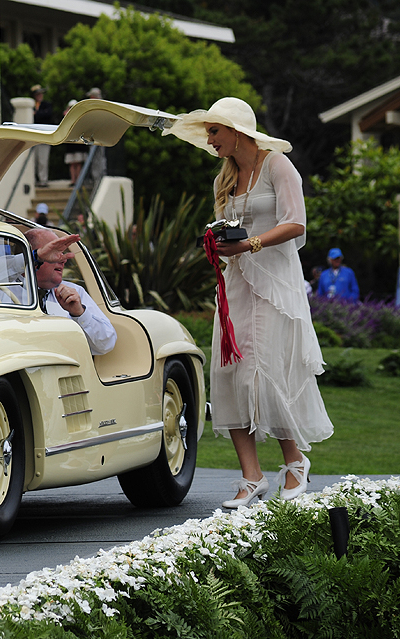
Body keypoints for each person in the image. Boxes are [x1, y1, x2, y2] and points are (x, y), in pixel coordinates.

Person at [164, 96, 333, 509]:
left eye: (214, 131)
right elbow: (229, 231)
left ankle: (295, 463)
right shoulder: (223, 179)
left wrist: (250, 243)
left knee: (266, 370)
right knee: (230, 372)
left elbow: (296, 223)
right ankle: (251, 477)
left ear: (237, 130)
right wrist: (219, 242)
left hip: (275, 286)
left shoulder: (277, 165)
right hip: (236, 285)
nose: (209, 139)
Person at [25, 228, 117, 356]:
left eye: (62, 253)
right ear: (34, 256)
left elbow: (106, 344)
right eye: (54, 252)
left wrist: (79, 313)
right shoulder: (3, 290)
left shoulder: (74, 293)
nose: (63, 259)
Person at [31, 85, 53, 188]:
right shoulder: (32, 105)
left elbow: (47, 115)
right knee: (34, 161)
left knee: (43, 160)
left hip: (44, 137)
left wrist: (36, 114)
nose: (40, 96)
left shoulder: (46, 105)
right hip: (33, 137)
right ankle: (35, 180)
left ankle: (43, 180)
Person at [63, 100, 86, 186]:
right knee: (72, 163)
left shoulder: (80, 117)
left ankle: (78, 180)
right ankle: (73, 180)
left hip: (78, 143)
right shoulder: (66, 117)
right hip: (70, 144)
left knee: (78, 162)